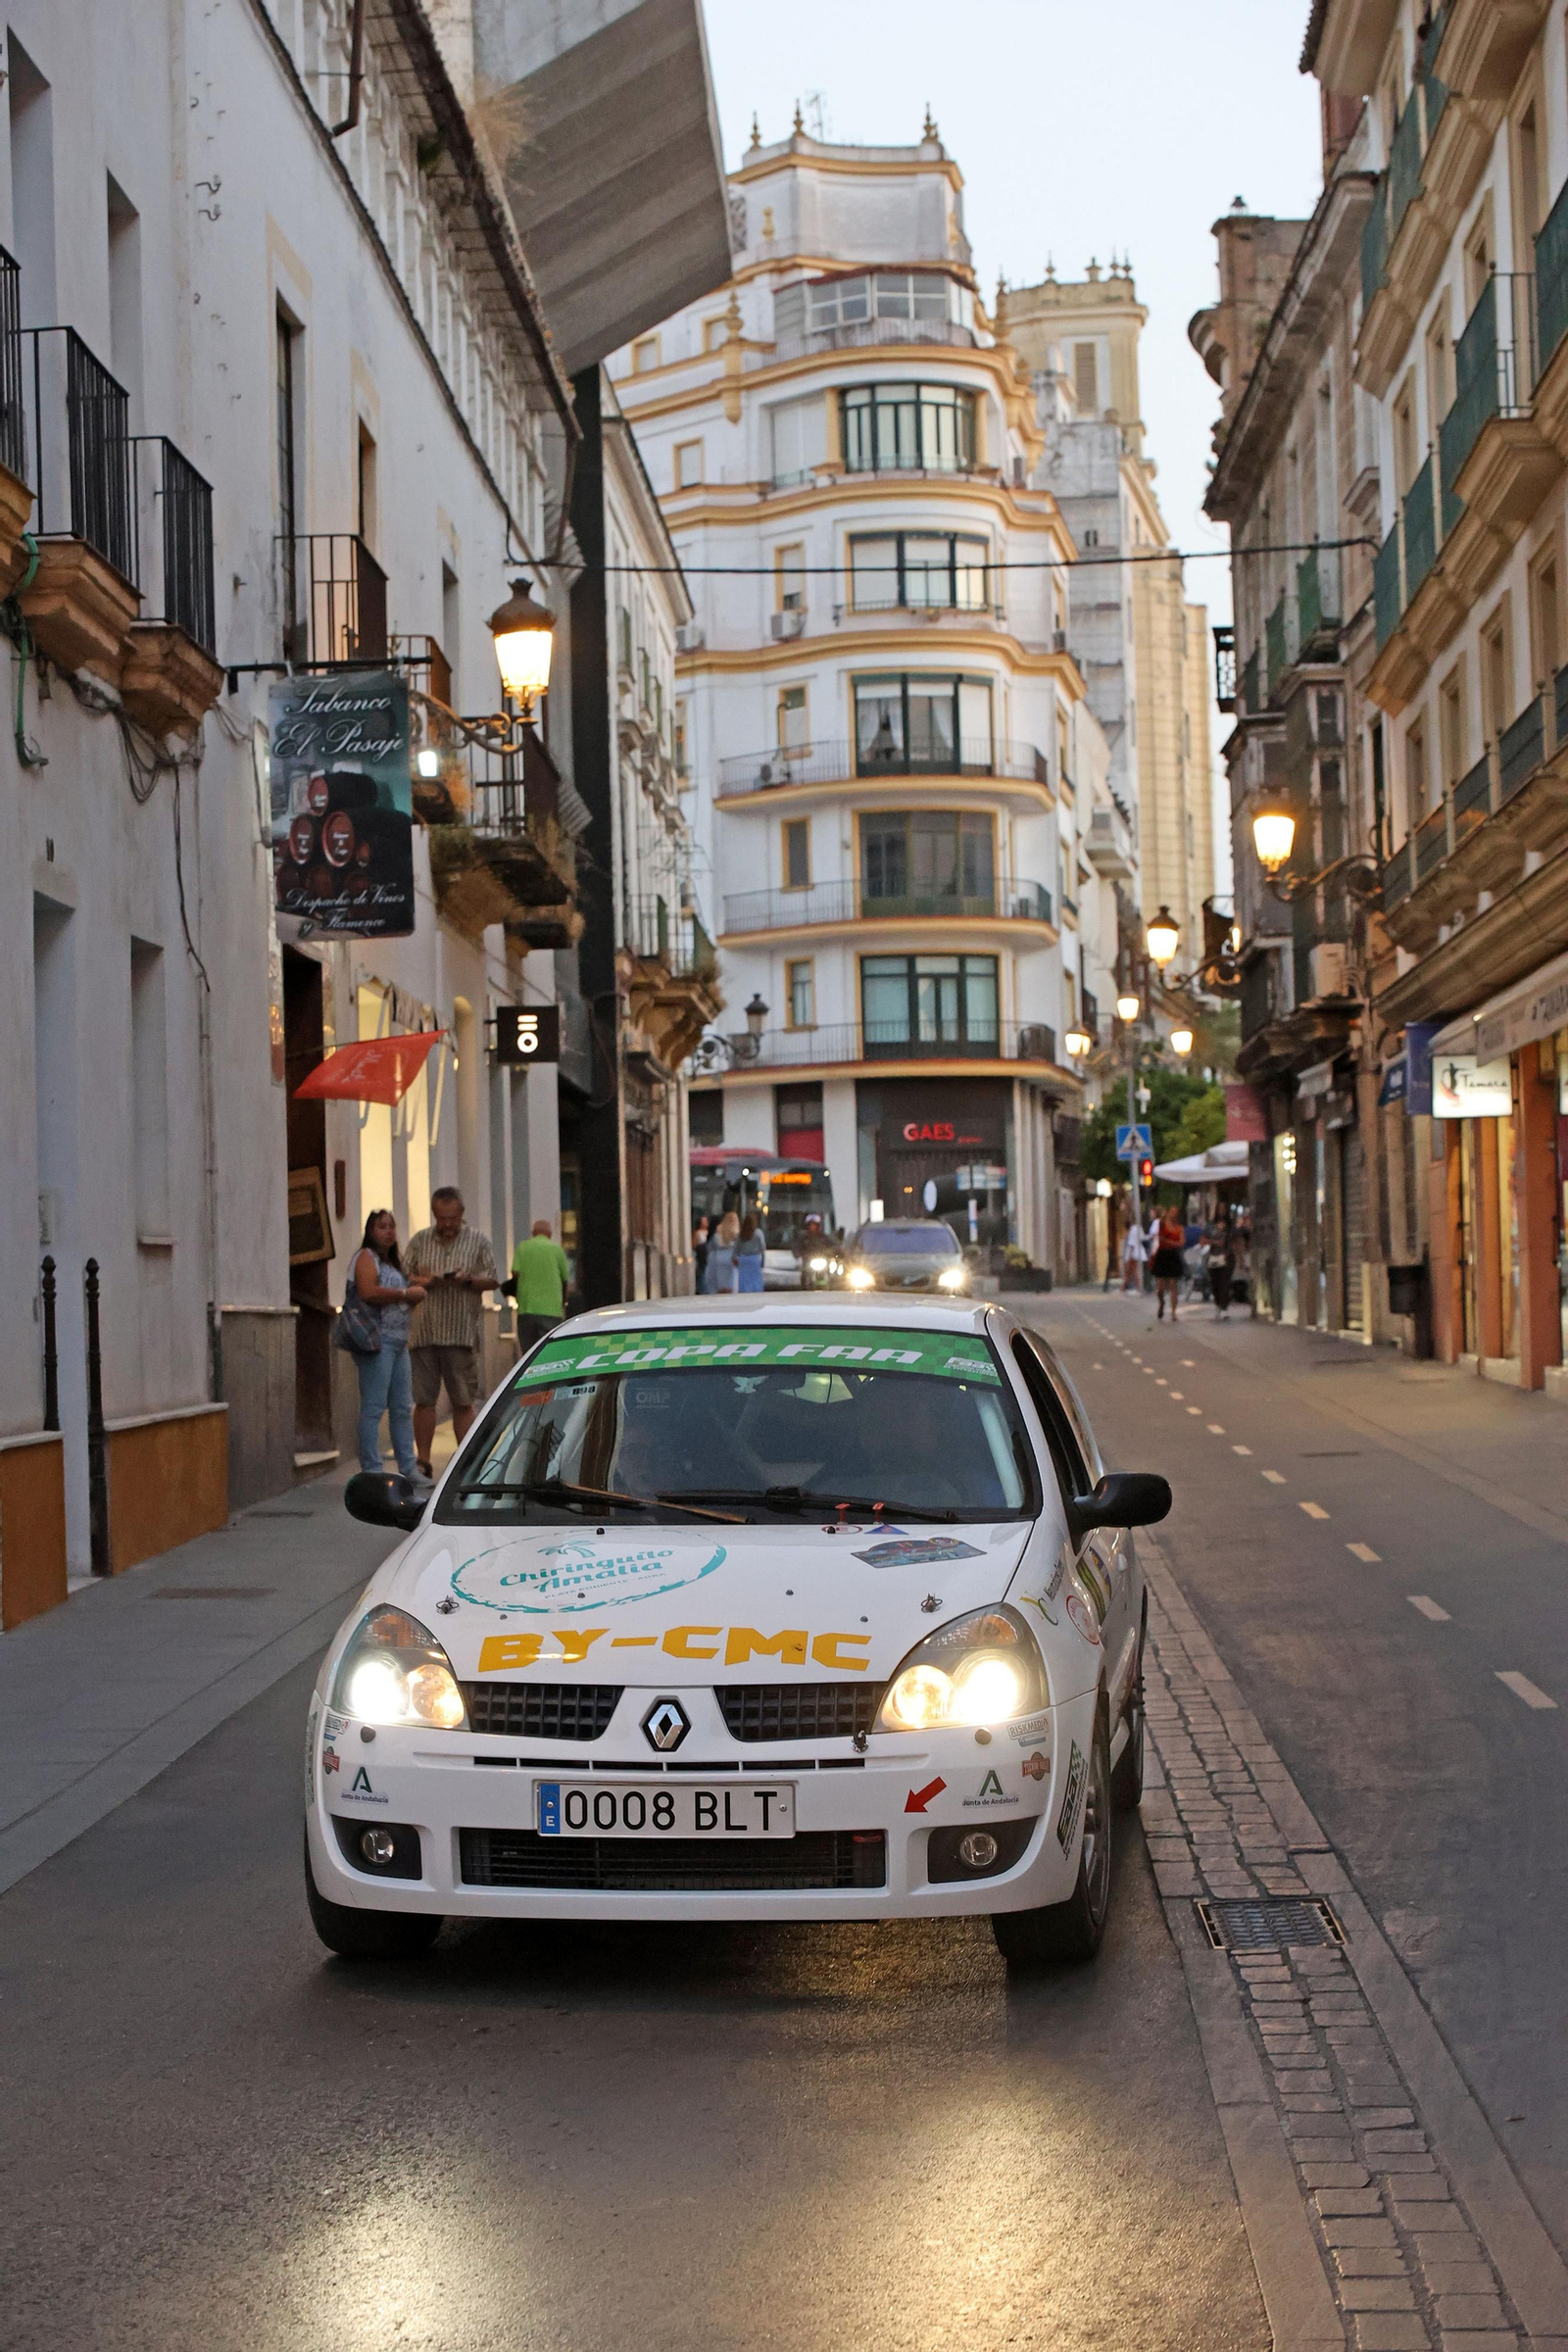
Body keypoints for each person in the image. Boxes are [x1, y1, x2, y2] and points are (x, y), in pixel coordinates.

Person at [403, 1186, 500, 1477]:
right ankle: (423, 1461)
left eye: (451, 1219)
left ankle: (465, 1463)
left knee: (462, 1400)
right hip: (425, 1331)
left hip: (460, 1332)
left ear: (461, 1214)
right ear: (434, 1214)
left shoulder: (478, 1241)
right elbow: (404, 1274)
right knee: (424, 1399)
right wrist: (427, 1280)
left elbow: (492, 1279)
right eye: (441, 1218)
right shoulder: (420, 1240)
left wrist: (468, 1280)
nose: (446, 1225)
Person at [347, 1210, 427, 1479]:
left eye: (392, 1226)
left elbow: (397, 1295)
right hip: (376, 1341)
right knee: (373, 1407)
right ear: (371, 1231)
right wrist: (405, 1293)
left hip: (398, 1342)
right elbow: (368, 1292)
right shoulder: (366, 1258)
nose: (389, 1232)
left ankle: (408, 1467)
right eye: (382, 1227)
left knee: (402, 1408)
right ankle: (371, 1469)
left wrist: (415, 1291)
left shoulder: (392, 1263)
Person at [511, 1217, 571, 1355]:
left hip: (527, 1309)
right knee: (549, 1352)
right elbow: (565, 1280)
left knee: (529, 1354)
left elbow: (515, 1274)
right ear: (549, 1234)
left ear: (533, 1233)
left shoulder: (523, 1247)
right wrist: (563, 1303)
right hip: (552, 1310)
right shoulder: (557, 1249)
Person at [1152, 1203, 1186, 1320]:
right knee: (1160, 1286)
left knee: (1173, 1284)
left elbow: (1182, 1242)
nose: (1173, 1214)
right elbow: (1161, 1238)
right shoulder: (1162, 1224)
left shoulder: (1179, 1228)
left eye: (1175, 1212)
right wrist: (1174, 1243)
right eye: (1172, 1211)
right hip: (1162, 1255)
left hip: (1173, 1256)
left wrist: (1171, 1243)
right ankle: (1161, 1302)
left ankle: (1173, 1312)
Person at [1206, 1215, 1237, 1319]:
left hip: (1227, 1259)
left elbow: (1234, 1244)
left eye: (1223, 1222)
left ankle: (1224, 1307)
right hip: (1214, 1259)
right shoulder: (1210, 1231)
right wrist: (1214, 1242)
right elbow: (1203, 1240)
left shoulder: (1230, 1232)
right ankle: (1218, 1304)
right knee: (1215, 1283)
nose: (1221, 1225)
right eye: (1219, 1222)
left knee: (1224, 1283)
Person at [705, 1209, 739, 1294]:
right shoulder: (737, 1236)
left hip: (719, 1258)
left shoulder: (717, 1235)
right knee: (731, 1284)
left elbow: (710, 1248)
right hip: (731, 1260)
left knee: (718, 1284)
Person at [734, 1211, 766, 1293]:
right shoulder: (758, 1233)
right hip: (754, 1259)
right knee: (755, 1279)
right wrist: (762, 1262)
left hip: (743, 1259)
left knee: (744, 1280)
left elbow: (736, 1249)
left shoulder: (741, 1235)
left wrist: (734, 1258)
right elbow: (762, 1248)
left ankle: (744, 1291)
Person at [1120, 1212, 1147, 1294]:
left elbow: (1131, 1243)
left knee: (1133, 1270)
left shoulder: (1132, 1229)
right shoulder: (1139, 1228)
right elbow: (1142, 1238)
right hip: (1140, 1251)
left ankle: (1137, 1287)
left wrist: (1130, 1255)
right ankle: (1125, 1287)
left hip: (1133, 1252)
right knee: (1132, 1270)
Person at [692, 1215, 710, 1292]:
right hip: (701, 1254)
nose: (706, 1222)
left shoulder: (709, 1232)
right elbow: (694, 1244)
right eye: (704, 1221)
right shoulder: (697, 1233)